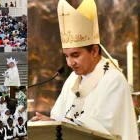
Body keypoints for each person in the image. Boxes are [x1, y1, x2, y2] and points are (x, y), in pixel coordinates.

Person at [31, 0, 138, 140]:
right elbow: (58, 118)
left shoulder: (113, 80)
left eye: (75, 55)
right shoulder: (72, 80)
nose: (70, 63)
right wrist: (46, 123)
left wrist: (61, 123)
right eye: (66, 56)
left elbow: (105, 128)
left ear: (94, 51)